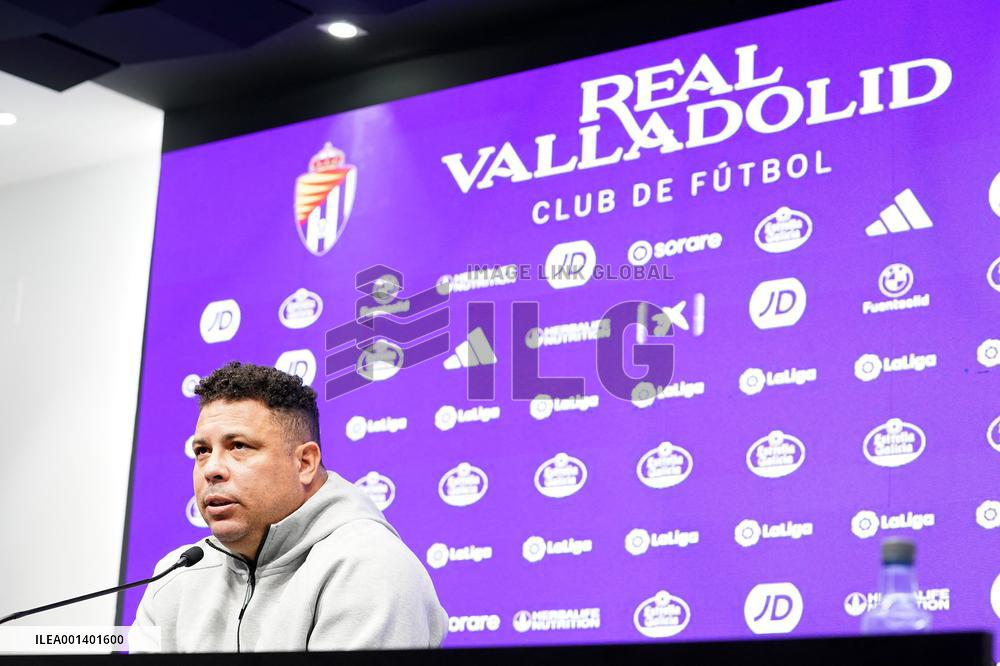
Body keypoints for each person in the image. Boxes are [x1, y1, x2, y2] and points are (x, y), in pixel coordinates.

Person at [130, 361, 448, 652]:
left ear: (305, 463)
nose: (212, 468)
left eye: (238, 446)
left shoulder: (370, 566)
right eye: (202, 450)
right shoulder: (174, 577)